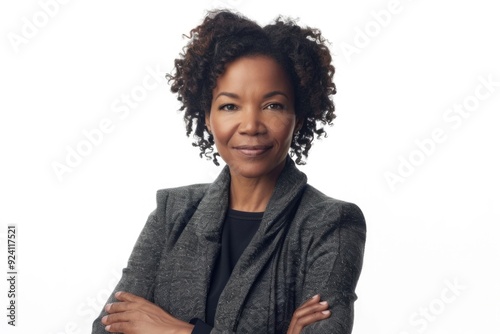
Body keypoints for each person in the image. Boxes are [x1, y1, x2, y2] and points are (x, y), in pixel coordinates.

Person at [92, 9, 366, 334]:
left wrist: (175, 330)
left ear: (300, 117)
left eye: (273, 105)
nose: (250, 126)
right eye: (229, 106)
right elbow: (107, 328)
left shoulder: (330, 224)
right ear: (207, 117)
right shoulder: (173, 213)